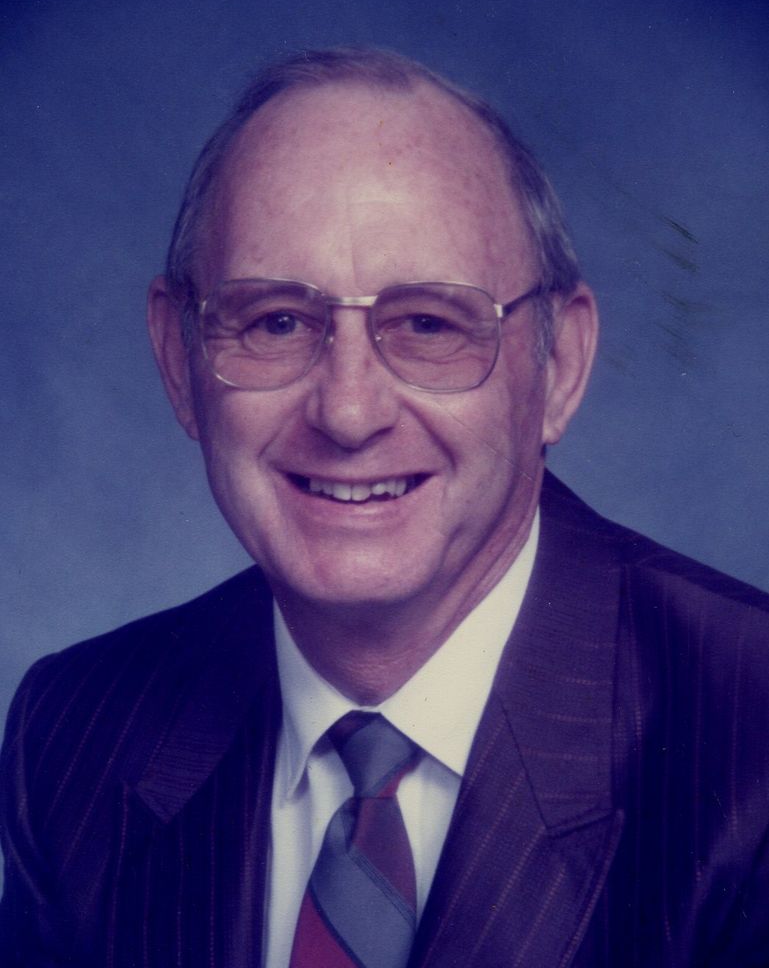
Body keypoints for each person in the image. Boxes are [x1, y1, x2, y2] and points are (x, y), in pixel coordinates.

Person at [2, 48, 768, 968]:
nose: (349, 411)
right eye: (277, 321)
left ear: (557, 366)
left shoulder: (747, 742)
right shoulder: (76, 734)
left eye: (428, 324)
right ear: (178, 359)